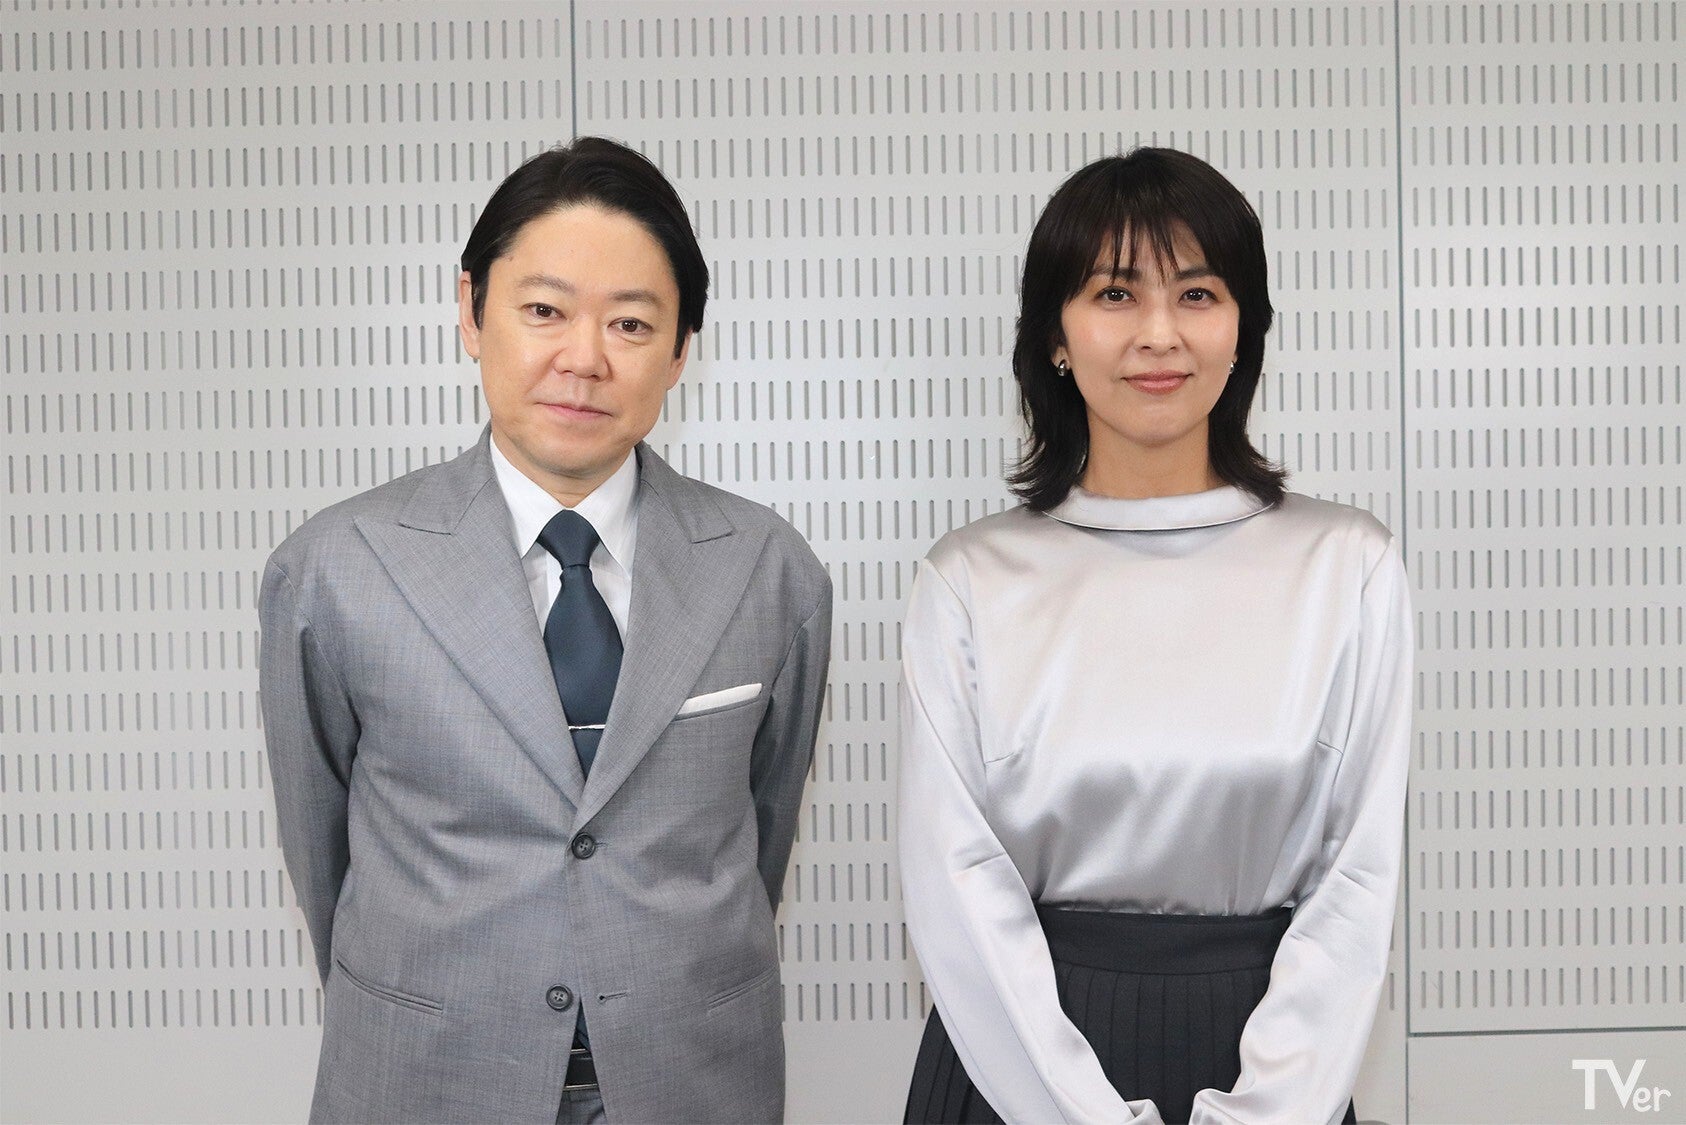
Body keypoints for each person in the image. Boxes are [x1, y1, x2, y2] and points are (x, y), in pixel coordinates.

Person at [260, 137, 832, 1124]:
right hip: (424, 1080)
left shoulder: (769, 569)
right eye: (544, 310)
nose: (584, 358)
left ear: (681, 351)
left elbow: (760, 834)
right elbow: (324, 858)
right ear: (470, 309)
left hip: (691, 1081)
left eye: (631, 323)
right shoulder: (335, 568)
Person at [898, 148, 1411, 1125]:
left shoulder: (1348, 566)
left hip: (1278, 1066)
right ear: (1055, 335)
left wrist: (1266, 1113)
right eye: (1115, 294)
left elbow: (1358, 876)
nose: (1159, 333)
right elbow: (954, 881)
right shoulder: (967, 578)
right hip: (1016, 1069)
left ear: (1243, 328)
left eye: (1198, 293)